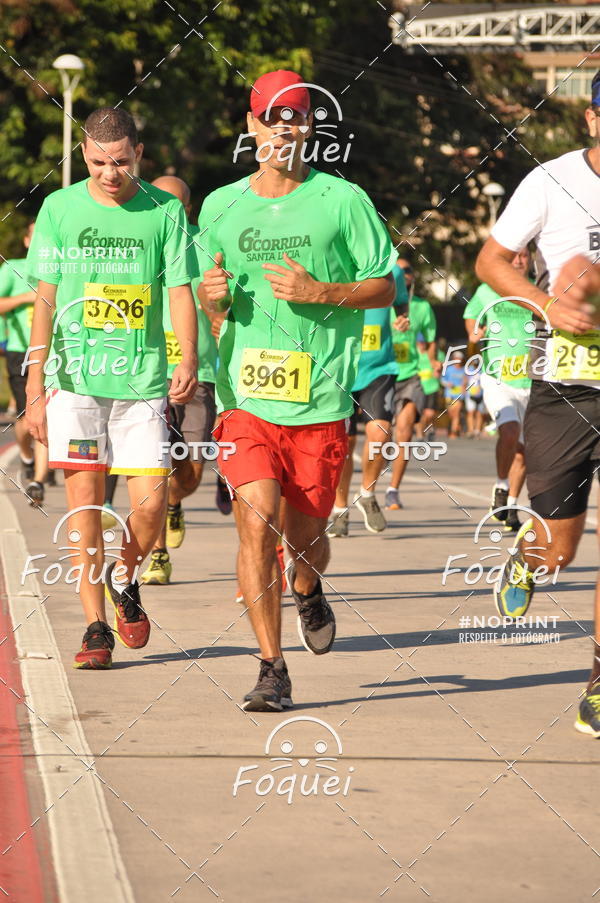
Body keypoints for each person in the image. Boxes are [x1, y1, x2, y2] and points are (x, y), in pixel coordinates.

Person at [199, 69, 396, 711]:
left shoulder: (343, 201)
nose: (286, 126)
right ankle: (270, 668)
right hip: (245, 401)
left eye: (298, 116)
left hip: (319, 404)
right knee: (254, 525)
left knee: (303, 543)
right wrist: (213, 302)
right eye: (273, 116)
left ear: (311, 126)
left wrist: (320, 292)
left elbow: (383, 287)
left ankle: (308, 588)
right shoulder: (220, 206)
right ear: (252, 125)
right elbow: (212, 299)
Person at [25, 107, 198, 669]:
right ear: (82, 155)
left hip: (141, 384)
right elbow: (45, 299)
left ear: (139, 155)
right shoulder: (59, 208)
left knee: (150, 508)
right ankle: (96, 626)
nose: (109, 173)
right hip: (74, 386)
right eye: (98, 162)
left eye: (120, 161)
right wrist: (34, 386)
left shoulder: (165, 211)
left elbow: (179, 292)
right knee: (86, 511)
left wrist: (188, 354)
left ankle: (127, 580)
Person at [475, 70, 600, 736]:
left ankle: (599, 680)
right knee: (561, 550)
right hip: (568, 383)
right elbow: (491, 259)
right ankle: (527, 556)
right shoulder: (552, 181)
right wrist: (552, 305)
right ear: (592, 118)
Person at [141, 175, 218, 585]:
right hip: (149, 374)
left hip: (199, 371)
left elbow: (218, 298)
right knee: (153, 467)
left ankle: (174, 503)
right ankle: (158, 555)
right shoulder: (139, 236)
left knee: (190, 468)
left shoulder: (203, 243)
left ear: (186, 208)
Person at [328, 267, 407, 536]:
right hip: (340, 368)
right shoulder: (336, 263)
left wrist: (403, 316)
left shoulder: (392, 271)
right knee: (343, 444)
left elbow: (401, 299)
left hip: (379, 368)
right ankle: (339, 510)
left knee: (381, 432)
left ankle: (367, 493)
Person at [463, 248, 532, 531]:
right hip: (497, 377)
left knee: (525, 450)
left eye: (524, 255)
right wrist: (474, 332)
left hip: (532, 380)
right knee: (510, 431)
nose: (518, 259)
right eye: (513, 255)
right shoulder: (488, 289)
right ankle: (501, 486)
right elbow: (472, 318)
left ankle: (512, 505)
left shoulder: (538, 290)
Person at [0, 222, 52, 503]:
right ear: (26, 241)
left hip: (57, 352)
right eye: (37, 236)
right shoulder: (13, 269)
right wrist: (28, 297)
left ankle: (38, 482)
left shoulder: (62, 266)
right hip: (22, 351)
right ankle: (26, 454)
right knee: (25, 419)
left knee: (48, 415)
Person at [385, 257, 438, 510]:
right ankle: (369, 488)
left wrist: (433, 363)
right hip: (383, 373)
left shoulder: (422, 308)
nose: (402, 273)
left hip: (412, 374)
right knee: (382, 432)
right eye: (397, 270)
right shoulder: (379, 303)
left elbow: (429, 341)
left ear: (412, 277)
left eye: (407, 270)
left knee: (404, 431)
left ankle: (393, 490)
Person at [415, 335, 441, 440]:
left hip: (432, 387)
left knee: (429, 414)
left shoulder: (432, 353)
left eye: (423, 342)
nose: (422, 345)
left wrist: (438, 369)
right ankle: (420, 435)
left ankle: (429, 429)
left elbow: (440, 364)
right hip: (418, 387)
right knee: (419, 414)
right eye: (420, 342)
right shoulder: (414, 354)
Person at [440, 350, 465, 438]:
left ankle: (453, 432)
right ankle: (452, 427)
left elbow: (466, 381)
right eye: (456, 358)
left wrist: (464, 388)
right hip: (449, 394)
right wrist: (447, 384)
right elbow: (442, 380)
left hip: (459, 395)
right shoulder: (449, 369)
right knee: (451, 414)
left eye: (459, 359)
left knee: (456, 413)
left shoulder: (463, 370)